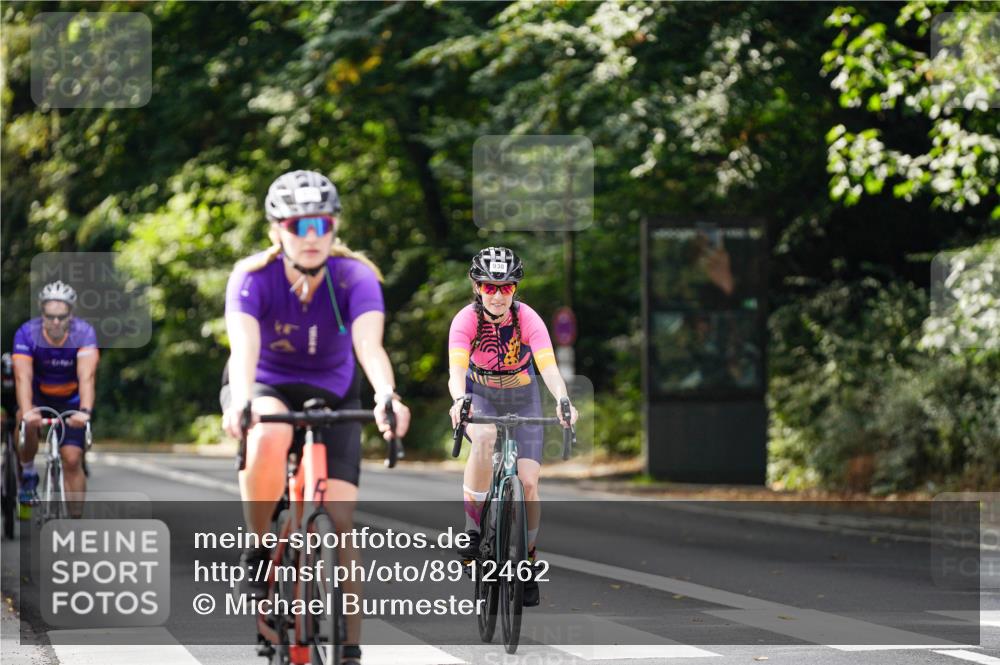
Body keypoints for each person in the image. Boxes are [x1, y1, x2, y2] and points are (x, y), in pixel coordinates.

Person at [221, 169, 410, 664]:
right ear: (275, 230)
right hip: (266, 383)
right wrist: (241, 401)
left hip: (334, 389)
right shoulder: (252, 277)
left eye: (321, 224)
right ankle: (262, 548)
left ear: (334, 227)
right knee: (266, 435)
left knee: (341, 520)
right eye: (298, 225)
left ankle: (348, 646)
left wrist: (387, 395)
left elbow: (370, 347)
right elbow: (243, 349)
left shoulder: (355, 277)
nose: (311, 237)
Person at [447, 246, 577, 607]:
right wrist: (460, 399)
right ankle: (473, 530)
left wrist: (562, 399)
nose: (499, 295)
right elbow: (456, 370)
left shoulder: (528, 318)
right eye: (490, 287)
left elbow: (548, 367)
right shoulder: (466, 321)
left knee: (530, 483)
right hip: (481, 394)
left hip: (523, 395)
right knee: (485, 437)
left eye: (506, 287)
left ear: (515, 288)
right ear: (476, 287)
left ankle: (528, 558)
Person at [12, 281, 99, 512]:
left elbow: (87, 377)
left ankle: (75, 525)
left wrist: (86, 411)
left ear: (71, 314)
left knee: (72, 459)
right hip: (39, 396)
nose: (56, 322)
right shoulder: (26, 333)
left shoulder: (84, 333)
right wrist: (29, 410)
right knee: (24, 418)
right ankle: (28, 472)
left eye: (62, 316)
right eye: (50, 316)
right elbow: (22, 378)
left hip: (71, 400)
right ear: (42, 313)